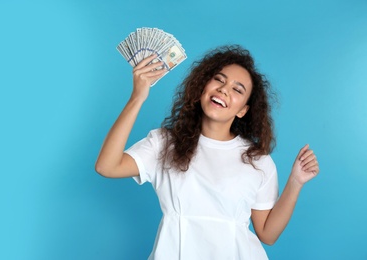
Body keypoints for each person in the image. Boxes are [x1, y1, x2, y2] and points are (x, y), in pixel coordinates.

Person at [95, 45, 319, 260]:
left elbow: (268, 235)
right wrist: (137, 97)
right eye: (219, 80)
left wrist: (296, 182)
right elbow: (107, 166)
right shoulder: (165, 143)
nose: (224, 89)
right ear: (203, 87)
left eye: (237, 89)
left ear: (243, 110)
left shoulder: (257, 161)